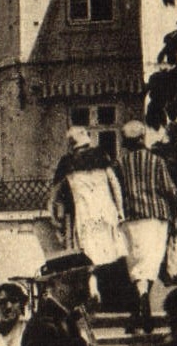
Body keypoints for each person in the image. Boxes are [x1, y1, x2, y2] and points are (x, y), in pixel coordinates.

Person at [50, 128, 127, 309]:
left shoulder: (67, 162)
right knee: (110, 254)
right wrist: (120, 210)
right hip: (106, 212)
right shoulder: (101, 155)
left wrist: (55, 217)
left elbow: (55, 193)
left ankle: (93, 289)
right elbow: (115, 184)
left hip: (84, 215)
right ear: (87, 139)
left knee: (89, 254)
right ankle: (114, 297)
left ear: (71, 144)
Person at [117, 120, 177, 330]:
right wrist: (176, 212)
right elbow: (170, 190)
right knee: (151, 264)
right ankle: (144, 302)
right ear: (142, 138)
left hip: (130, 217)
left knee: (135, 265)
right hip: (156, 216)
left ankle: (138, 309)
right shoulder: (156, 161)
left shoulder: (120, 164)